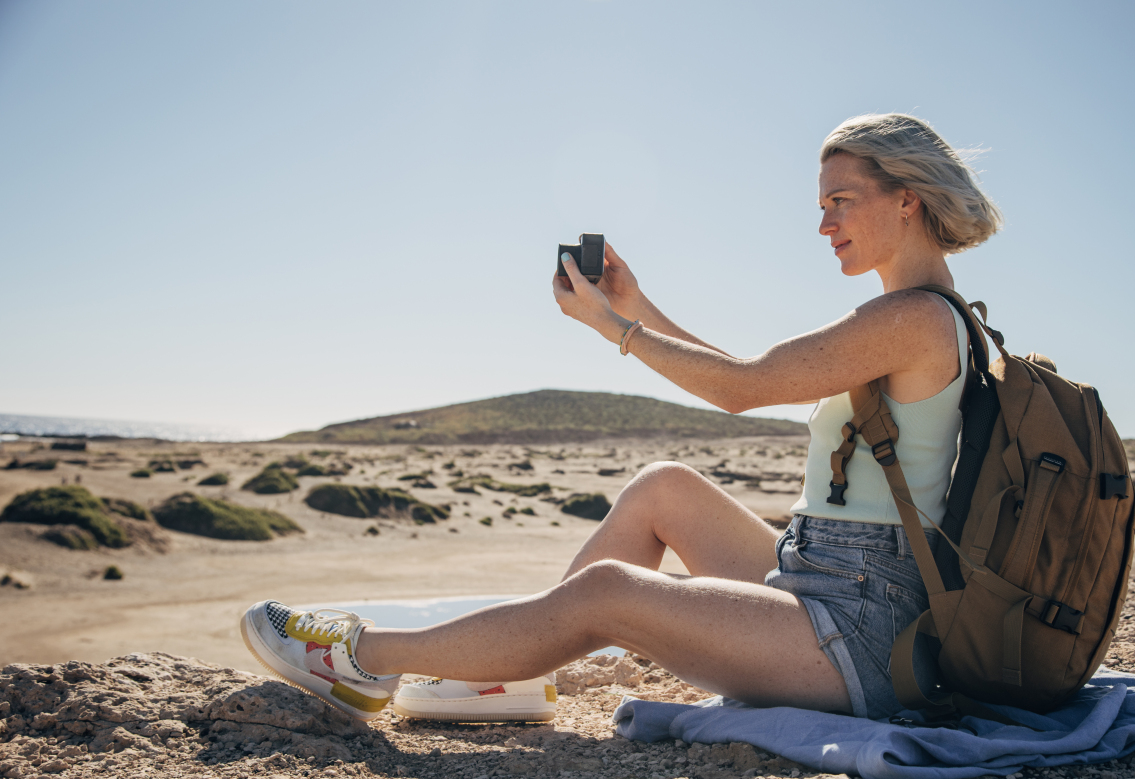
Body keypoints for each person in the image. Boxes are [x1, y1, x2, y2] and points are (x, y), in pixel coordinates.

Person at [240, 113, 1002, 723]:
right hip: (825, 581)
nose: (824, 222)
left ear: (907, 197)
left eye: (840, 200)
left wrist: (615, 330)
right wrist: (637, 308)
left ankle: (363, 658)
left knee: (609, 591)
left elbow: (744, 388)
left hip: (863, 632)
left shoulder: (912, 319)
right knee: (663, 486)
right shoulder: (918, 317)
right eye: (821, 204)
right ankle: (503, 677)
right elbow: (758, 380)